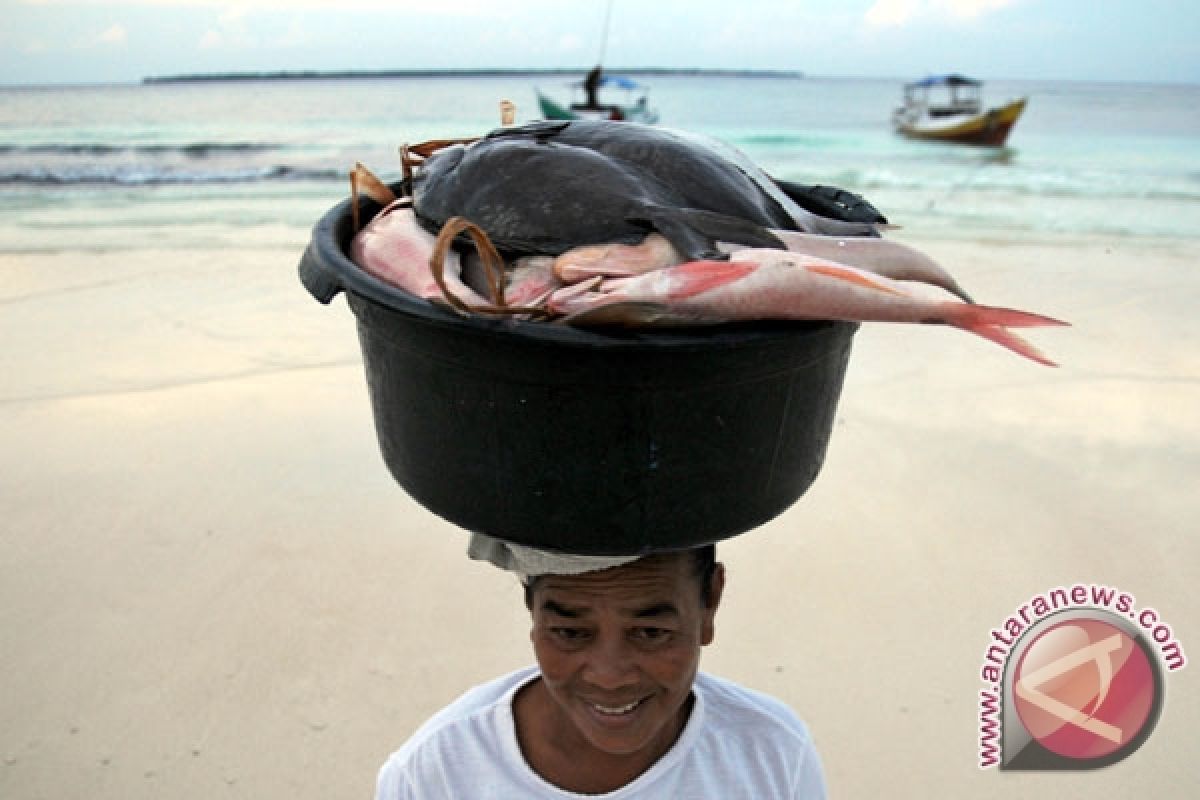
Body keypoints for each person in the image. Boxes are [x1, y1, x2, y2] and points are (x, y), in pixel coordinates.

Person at [374, 538, 827, 798]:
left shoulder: (772, 754)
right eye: (570, 633)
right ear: (531, 610)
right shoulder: (435, 776)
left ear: (709, 604)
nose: (609, 676)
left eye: (650, 632)